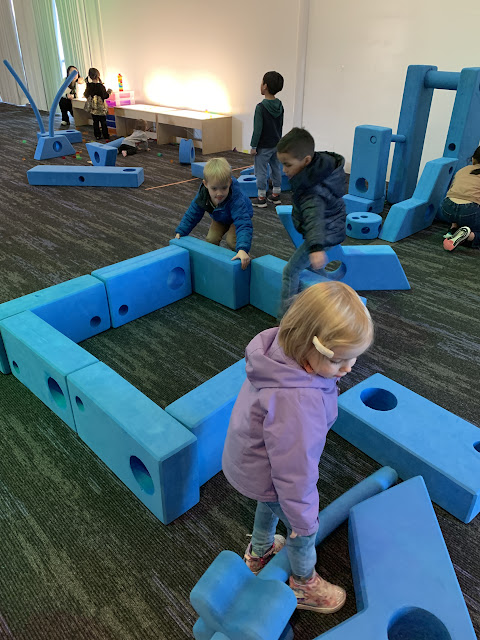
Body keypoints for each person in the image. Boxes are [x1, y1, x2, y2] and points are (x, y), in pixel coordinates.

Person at [222, 281, 373, 613]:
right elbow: (294, 473)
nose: (349, 368)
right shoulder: (298, 402)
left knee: (269, 499)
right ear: (309, 347)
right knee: (301, 530)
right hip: (273, 470)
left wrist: (330, 368)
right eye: (340, 360)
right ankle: (304, 584)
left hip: (253, 461)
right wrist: (303, 520)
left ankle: (259, 552)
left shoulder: (281, 350)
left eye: (354, 358)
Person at [276, 127, 346, 318]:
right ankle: (323, 301)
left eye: (288, 165)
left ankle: (286, 319)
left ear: (306, 160)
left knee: (290, 272)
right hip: (330, 227)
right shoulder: (319, 166)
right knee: (313, 268)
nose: (284, 170)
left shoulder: (312, 191)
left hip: (323, 233)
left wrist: (316, 248)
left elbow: (314, 219)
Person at [174, 158, 253, 269]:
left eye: (224, 188)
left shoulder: (236, 199)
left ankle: (246, 259)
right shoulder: (203, 195)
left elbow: (243, 223)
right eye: (214, 188)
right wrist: (181, 231)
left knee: (232, 241)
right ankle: (214, 264)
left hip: (239, 216)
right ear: (206, 184)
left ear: (230, 182)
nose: (219, 193)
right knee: (211, 239)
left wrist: (243, 249)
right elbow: (192, 213)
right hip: (220, 217)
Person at [250, 71, 284, 208]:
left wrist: (253, 146)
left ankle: (261, 198)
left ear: (265, 86)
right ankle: (276, 195)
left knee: (261, 171)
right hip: (277, 144)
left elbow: (257, 129)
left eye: (261, 82)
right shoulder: (280, 105)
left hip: (263, 146)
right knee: (276, 168)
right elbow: (280, 126)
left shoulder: (261, 107)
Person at [439, 146, 480, 251]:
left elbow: (452, 189)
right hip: (470, 211)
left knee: (460, 204)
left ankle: (453, 228)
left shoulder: (463, 170)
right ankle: (470, 236)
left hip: (447, 208)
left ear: (473, 159)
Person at [83, 68, 112, 140]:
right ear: (98, 75)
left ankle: (97, 135)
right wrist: (109, 92)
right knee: (103, 122)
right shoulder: (101, 86)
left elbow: (86, 94)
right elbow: (105, 96)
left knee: (95, 122)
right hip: (101, 108)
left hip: (93, 108)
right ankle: (106, 135)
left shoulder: (89, 86)